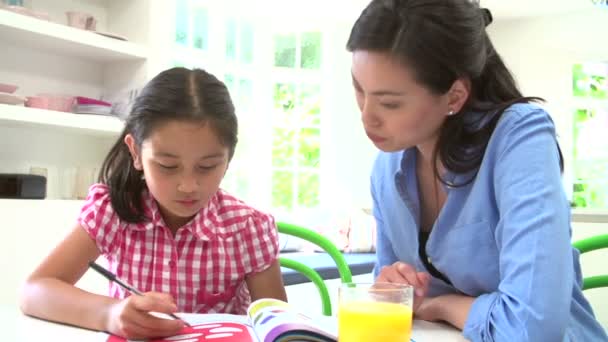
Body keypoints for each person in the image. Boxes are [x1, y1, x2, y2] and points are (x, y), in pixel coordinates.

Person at [346, 0, 608, 341]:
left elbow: (532, 329)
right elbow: (396, 304)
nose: (367, 116)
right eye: (358, 89)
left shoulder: (519, 138)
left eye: (390, 103)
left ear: (454, 97)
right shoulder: (387, 169)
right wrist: (394, 289)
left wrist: (441, 304)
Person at [19, 67, 287, 340]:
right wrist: (110, 313)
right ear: (136, 152)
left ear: (228, 159)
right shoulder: (113, 212)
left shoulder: (247, 228)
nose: (187, 185)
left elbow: (281, 327)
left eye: (207, 167)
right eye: (167, 166)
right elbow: (35, 290)